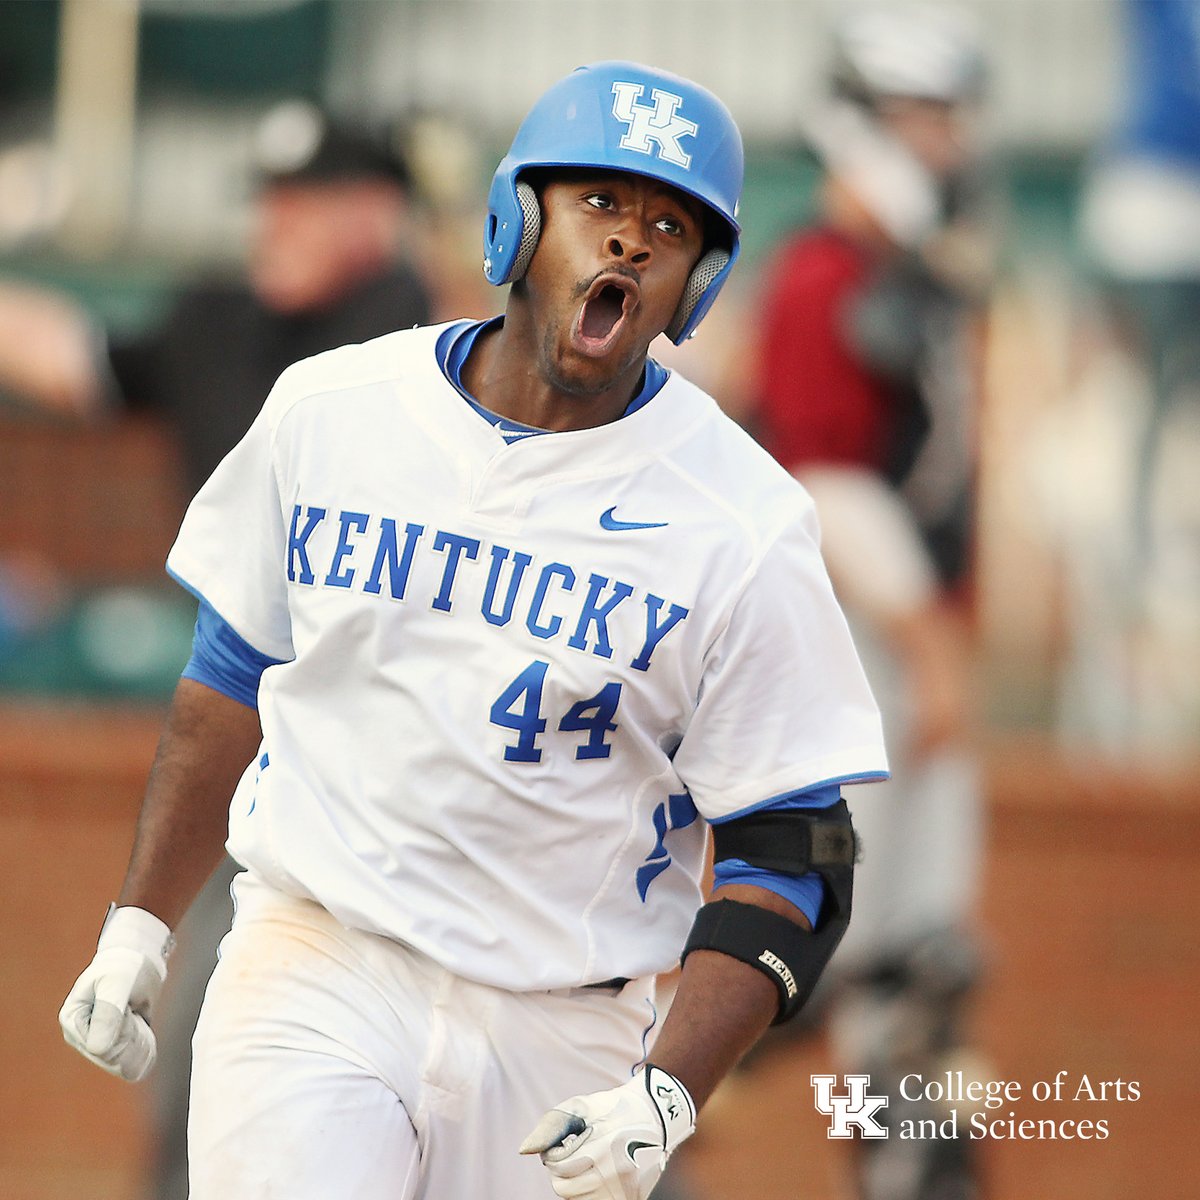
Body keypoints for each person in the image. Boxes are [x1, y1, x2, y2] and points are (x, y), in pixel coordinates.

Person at [58, 61, 888, 1200]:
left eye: (668, 224)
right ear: (516, 216)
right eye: (600, 203)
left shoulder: (743, 522)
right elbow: (227, 681)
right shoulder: (332, 409)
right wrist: (140, 925)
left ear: (699, 280)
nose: (632, 242)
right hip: (319, 964)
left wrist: (669, 1089)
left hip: (565, 1024)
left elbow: (791, 852)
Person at [3, 100, 433, 1200]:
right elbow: (73, 359)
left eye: (310, 200)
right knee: (214, 1058)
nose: (275, 222)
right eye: (270, 199)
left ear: (378, 213)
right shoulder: (216, 318)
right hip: (274, 750)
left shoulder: (414, 333)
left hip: (420, 755)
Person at [751, 10, 991, 1200]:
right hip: (858, 651)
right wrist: (927, 639)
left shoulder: (911, 278)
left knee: (917, 971)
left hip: (910, 650)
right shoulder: (822, 278)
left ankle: (905, 1180)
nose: (947, 147)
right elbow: (823, 481)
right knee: (818, 963)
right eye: (925, 120)